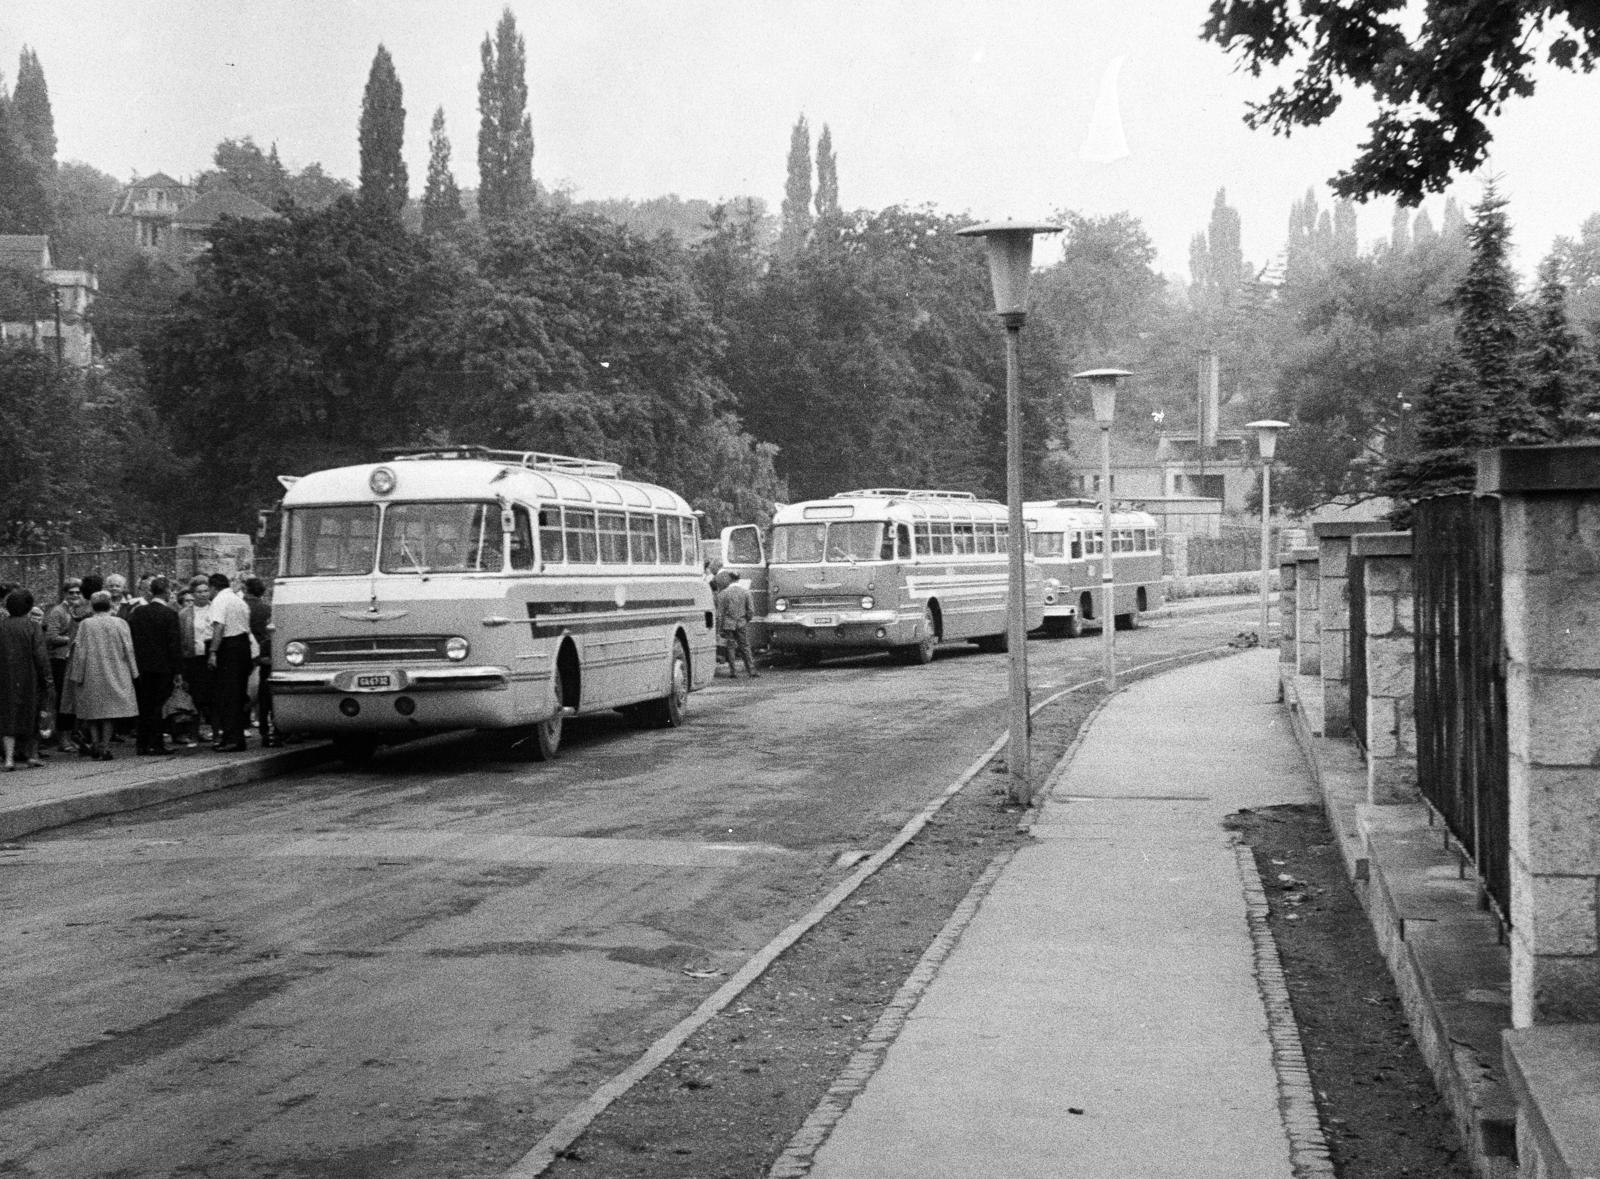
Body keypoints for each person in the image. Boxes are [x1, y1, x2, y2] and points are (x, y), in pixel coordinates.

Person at [67, 591, 138, 760]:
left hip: (92, 671)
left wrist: (76, 674)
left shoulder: (86, 624)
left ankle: (95, 743)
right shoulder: (120, 623)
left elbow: (79, 650)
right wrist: (134, 672)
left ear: (92, 606)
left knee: (92, 710)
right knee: (110, 711)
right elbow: (128, 648)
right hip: (116, 669)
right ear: (110, 605)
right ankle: (105, 745)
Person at [128, 576, 183, 755]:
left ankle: (142, 743)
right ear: (167, 592)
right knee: (158, 706)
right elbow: (174, 644)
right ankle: (156, 743)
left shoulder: (138, 612)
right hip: (163, 667)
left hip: (142, 666)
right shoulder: (170, 615)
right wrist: (178, 670)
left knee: (144, 705)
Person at [0, 588, 50, 772]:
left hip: (5, 678)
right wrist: (47, 678)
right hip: (30, 677)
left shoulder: (2, 625)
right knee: (32, 713)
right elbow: (41, 656)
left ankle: (9, 759)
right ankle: (32, 756)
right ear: (28, 607)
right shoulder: (33, 627)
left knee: (8, 715)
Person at [205, 572, 253, 751]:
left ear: (213, 587)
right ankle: (234, 736)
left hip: (229, 648)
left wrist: (213, 652)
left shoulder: (219, 601)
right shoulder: (239, 601)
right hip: (242, 647)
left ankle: (232, 738)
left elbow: (219, 626)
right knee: (238, 694)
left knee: (228, 695)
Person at [43, 578, 83, 749]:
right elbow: (51, 637)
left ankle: (71, 735)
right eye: (71, 592)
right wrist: (71, 639)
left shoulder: (78, 610)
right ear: (65, 593)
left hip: (73, 658)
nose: (74, 595)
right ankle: (62, 738)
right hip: (59, 659)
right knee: (63, 699)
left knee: (73, 699)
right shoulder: (57, 611)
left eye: (77, 592)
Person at [178, 583, 215, 741]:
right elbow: (180, 637)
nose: (203, 594)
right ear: (193, 594)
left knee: (212, 696)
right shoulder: (184, 614)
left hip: (211, 657)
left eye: (206, 591)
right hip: (193, 658)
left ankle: (216, 730)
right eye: (199, 592)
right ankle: (194, 731)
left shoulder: (215, 609)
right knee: (194, 696)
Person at [243, 577, 278, 746]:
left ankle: (244, 723)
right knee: (265, 696)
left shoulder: (243, 606)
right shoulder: (266, 609)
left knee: (245, 690)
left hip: (246, 651)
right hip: (264, 652)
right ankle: (268, 728)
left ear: (246, 589)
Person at [715, 572, 758, 679]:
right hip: (741, 623)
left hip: (728, 624)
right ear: (739, 579)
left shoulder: (723, 594)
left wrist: (720, 628)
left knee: (730, 647)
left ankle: (733, 672)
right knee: (745, 647)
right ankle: (751, 671)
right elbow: (751, 611)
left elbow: (720, 613)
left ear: (730, 579)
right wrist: (745, 620)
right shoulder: (745, 592)